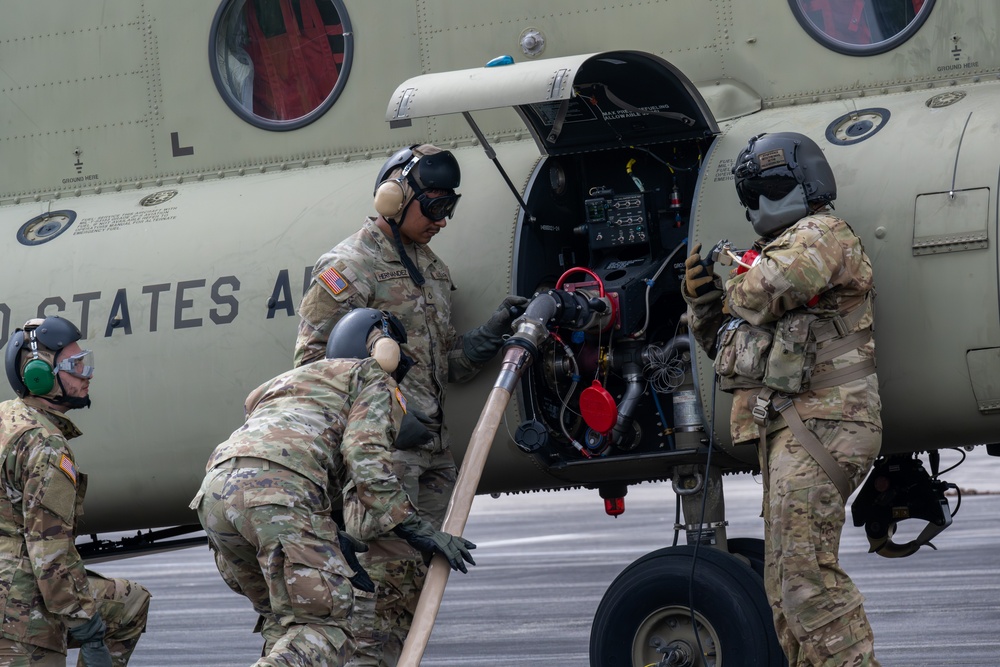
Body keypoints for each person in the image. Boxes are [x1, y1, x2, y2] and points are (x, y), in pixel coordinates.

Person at [294, 143, 527, 665]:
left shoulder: (434, 272)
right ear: (396, 198)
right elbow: (313, 365)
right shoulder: (350, 266)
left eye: (451, 207)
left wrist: (490, 335)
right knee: (382, 590)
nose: (443, 220)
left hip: (432, 459)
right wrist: (390, 420)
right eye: (434, 207)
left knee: (414, 589)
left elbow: (440, 365)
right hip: (382, 458)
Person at [682, 132, 882, 666]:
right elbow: (730, 352)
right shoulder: (779, 252)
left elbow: (768, 286)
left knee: (806, 578)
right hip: (793, 429)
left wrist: (728, 286)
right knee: (784, 587)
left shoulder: (821, 234)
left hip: (827, 422)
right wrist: (703, 308)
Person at [191, 308, 476, 667]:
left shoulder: (284, 383)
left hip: (215, 499)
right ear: (383, 349)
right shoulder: (371, 377)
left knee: (285, 623)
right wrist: (413, 527)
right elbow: (364, 455)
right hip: (280, 494)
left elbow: (267, 449)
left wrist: (325, 532)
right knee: (327, 628)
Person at [0, 316, 151, 667]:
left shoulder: (7, 419)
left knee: (129, 601)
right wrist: (87, 629)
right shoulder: (46, 445)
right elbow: (49, 552)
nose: (88, 374)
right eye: (76, 365)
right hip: (19, 612)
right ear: (39, 375)